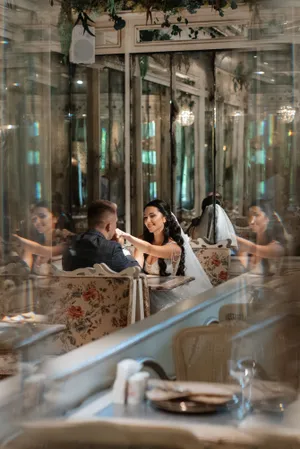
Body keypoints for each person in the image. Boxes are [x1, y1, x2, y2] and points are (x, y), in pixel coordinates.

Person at [116, 199, 212, 313]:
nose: (148, 221)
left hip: (170, 295)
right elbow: (137, 268)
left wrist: (127, 236)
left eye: (152, 216)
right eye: (145, 217)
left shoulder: (174, 247)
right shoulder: (143, 241)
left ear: (164, 218)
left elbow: (150, 249)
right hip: (149, 292)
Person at [62, 200, 139, 272]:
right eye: (115, 222)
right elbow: (136, 270)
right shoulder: (112, 249)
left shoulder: (71, 245)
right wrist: (122, 248)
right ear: (109, 226)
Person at [236, 200, 286, 275]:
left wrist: (245, 245)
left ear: (267, 218)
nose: (252, 221)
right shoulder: (250, 240)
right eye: (249, 216)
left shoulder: (275, 244)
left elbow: (278, 251)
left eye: (256, 215)